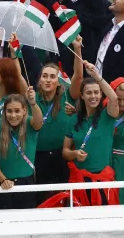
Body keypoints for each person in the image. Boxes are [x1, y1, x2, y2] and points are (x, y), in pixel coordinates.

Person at [62, 61, 120, 206]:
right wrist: (75, 154)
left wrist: (96, 76)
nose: (93, 96)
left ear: (101, 94)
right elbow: (65, 151)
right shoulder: (73, 120)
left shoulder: (108, 116)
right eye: (88, 92)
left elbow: (114, 98)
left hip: (102, 180)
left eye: (96, 92)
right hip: (79, 181)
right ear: (82, 96)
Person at [33, 37, 83, 204]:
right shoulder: (32, 98)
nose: (48, 80)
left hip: (61, 155)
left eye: (52, 77)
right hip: (37, 156)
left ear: (58, 81)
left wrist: (77, 50)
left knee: (63, 199)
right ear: (39, 80)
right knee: (40, 199)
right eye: (44, 76)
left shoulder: (67, 95)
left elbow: (78, 77)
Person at [0, 90, 43, 210]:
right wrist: (3, 180)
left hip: (26, 183)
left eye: (17, 111)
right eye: (9, 111)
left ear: (24, 111)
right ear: (4, 112)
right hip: (2, 183)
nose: (13, 115)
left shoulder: (29, 123)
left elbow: (39, 121)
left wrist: (33, 103)